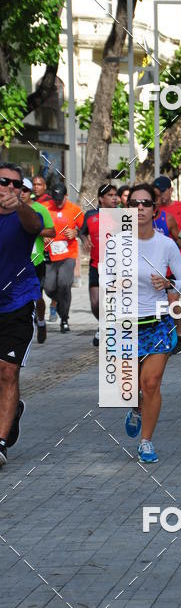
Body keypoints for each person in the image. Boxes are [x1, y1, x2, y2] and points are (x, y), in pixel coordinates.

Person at [123, 183, 181, 462]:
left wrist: (168, 283)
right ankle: (136, 407)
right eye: (134, 203)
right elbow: (105, 279)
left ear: (155, 210)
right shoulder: (117, 242)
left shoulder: (165, 244)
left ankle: (146, 442)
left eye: (145, 203)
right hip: (126, 322)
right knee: (131, 386)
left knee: (150, 383)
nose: (140, 207)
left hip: (158, 322)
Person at [0, 163, 44, 468]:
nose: (10, 188)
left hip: (17, 302)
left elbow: (35, 226)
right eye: (4, 181)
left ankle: (0, 443)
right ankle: (12, 410)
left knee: (7, 371)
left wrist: (19, 206)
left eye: (17, 184)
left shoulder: (25, 214)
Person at [153, 175, 181, 354]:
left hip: (177, 262)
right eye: (157, 193)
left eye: (163, 191)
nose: (161, 196)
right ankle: (163, 334)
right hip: (156, 265)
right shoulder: (150, 211)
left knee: (173, 301)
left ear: (171, 190)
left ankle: (179, 333)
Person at [80, 184, 119, 346]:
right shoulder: (90, 215)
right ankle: (103, 324)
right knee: (95, 304)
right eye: (110, 195)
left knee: (109, 302)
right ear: (101, 199)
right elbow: (81, 231)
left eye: (115, 195)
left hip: (115, 268)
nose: (115, 198)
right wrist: (84, 239)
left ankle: (107, 328)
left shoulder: (122, 216)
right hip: (96, 265)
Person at [44, 182, 84, 332]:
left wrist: (75, 232)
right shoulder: (46, 208)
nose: (58, 202)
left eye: (60, 199)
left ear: (66, 196)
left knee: (64, 284)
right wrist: (43, 235)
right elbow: (35, 226)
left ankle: (64, 319)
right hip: (50, 254)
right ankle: (60, 303)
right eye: (55, 199)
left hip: (68, 254)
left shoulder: (74, 210)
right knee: (49, 287)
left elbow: (84, 228)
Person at [19, 178, 55, 344]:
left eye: (25, 190)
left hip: (36, 260)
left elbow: (52, 232)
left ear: (30, 192)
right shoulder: (10, 209)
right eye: (19, 189)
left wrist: (35, 230)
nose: (22, 193)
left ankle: (41, 322)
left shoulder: (40, 209)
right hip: (16, 261)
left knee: (37, 297)